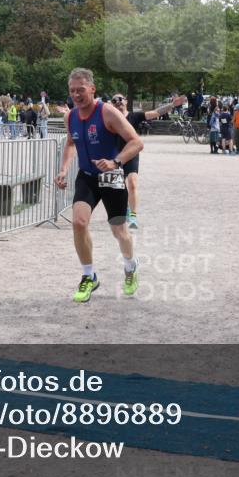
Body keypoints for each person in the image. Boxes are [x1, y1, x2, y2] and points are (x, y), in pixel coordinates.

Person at [55, 69, 144, 303]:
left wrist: (116, 161)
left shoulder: (107, 112)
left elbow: (136, 142)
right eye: (72, 91)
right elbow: (71, 144)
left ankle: (130, 266)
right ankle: (89, 275)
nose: (76, 95)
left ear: (92, 89)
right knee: (78, 222)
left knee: (119, 231)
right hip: (87, 176)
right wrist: (63, 170)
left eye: (81, 90)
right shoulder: (70, 117)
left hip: (110, 177)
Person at [110, 92, 186, 229]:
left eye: (120, 99)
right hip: (116, 156)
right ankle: (125, 208)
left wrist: (172, 105)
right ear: (112, 104)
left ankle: (133, 216)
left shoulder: (134, 116)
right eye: (114, 100)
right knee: (118, 187)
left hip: (131, 153)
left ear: (126, 101)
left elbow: (155, 113)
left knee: (132, 183)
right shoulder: (110, 120)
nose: (118, 101)